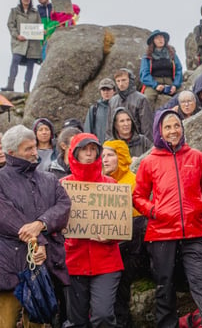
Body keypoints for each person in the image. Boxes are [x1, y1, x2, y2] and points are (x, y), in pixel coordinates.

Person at [133, 110, 202, 328]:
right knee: (165, 287)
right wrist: (155, 212)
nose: (173, 131)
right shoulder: (149, 161)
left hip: (195, 231)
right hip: (161, 234)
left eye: (177, 126)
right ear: (159, 131)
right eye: (168, 127)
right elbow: (138, 196)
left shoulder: (196, 157)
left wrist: (200, 206)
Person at [0, 125, 71, 328]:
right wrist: (37, 241)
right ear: (12, 153)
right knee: (5, 322)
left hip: (41, 268)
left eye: (34, 147)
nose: (35, 152)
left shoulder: (48, 179)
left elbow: (64, 206)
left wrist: (41, 224)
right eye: (28, 149)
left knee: (38, 323)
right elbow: (7, 218)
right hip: (8, 264)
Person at [62, 133, 124, 328]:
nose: (89, 154)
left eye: (93, 149)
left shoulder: (111, 185)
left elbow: (121, 225)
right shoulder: (63, 186)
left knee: (103, 316)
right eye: (84, 150)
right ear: (75, 153)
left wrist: (111, 237)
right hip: (73, 261)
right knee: (77, 321)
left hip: (106, 262)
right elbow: (54, 226)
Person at [102, 140, 146, 328]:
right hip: (105, 249)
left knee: (120, 294)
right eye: (103, 156)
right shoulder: (100, 183)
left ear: (120, 157)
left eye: (110, 155)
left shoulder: (133, 181)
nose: (105, 160)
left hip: (130, 251)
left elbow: (140, 220)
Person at [3, 0, 43, 93]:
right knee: (15, 61)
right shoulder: (14, 11)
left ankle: (26, 89)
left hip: (33, 44)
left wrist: (41, 30)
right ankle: (10, 85)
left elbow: (39, 25)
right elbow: (10, 25)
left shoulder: (35, 12)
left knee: (30, 65)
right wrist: (17, 35)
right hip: (19, 43)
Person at [106, 68, 154, 141]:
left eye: (124, 80)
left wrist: (147, 146)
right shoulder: (112, 101)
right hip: (118, 144)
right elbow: (109, 128)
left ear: (130, 80)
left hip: (137, 143)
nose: (121, 84)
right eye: (118, 81)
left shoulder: (141, 99)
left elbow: (147, 127)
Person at [140, 30, 183, 108]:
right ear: (153, 41)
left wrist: (175, 85)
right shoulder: (147, 56)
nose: (160, 39)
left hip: (170, 81)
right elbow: (144, 74)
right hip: (153, 83)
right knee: (147, 99)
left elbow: (178, 70)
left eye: (162, 37)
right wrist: (155, 85)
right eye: (157, 38)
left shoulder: (172, 54)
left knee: (184, 96)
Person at [84, 77, 115, 143]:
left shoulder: (119, 106)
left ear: (114, 91)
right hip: (100, 147)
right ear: (100, 92)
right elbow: (88, 131)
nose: (106, 92)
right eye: (103, 90)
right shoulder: (94, 109)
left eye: (108, 89)